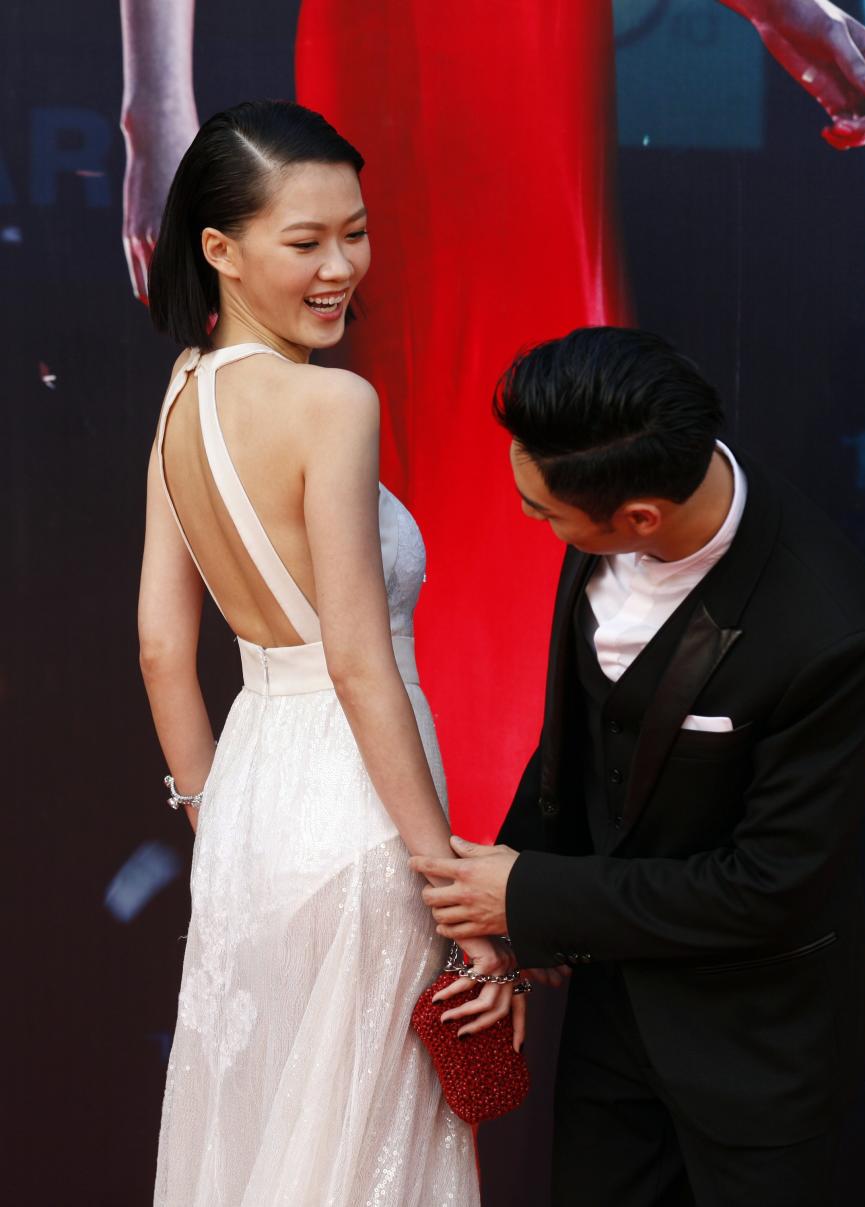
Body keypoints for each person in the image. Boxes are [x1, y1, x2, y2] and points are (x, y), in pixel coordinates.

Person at [120, 0, 865, 843]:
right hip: (397, 39)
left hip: (536, 45)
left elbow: (162, 649)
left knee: (545, 469)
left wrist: (216, 831)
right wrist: (156, 112)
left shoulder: (194, 391)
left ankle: (510, 890)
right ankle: (494, 892)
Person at [413, 326, 865, 1205]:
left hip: (755, 1059)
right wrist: (512, 934)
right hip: (610, 1028)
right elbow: (579, 750)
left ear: (639, 519)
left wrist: (531, 894)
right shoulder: (598, 507)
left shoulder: (831, 630)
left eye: (546, 511)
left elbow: (766, 885)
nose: (531, 518)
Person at [137, 98, 519, 1206]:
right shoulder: (332, 403)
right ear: (220, 249)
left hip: (254, 806)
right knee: (360, 1153)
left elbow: (165, 647)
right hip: (358, 814)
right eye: (305, 242)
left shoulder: (183, 395)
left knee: (264, 1137)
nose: (341, 265)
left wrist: (219, 814)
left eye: (356, 231)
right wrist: (455, 893)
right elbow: (359, 662)